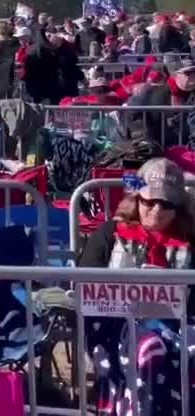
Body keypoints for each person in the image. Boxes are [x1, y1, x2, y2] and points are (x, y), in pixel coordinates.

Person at [78, 158, 195, 414]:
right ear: (136, 199)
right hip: (115, 323)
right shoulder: (111, 232)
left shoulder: (190, 239)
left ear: (178, 207)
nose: (156, 209)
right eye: (148, 201)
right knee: (149, 350)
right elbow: (83, 280)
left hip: (179, 324)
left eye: (166, 203)